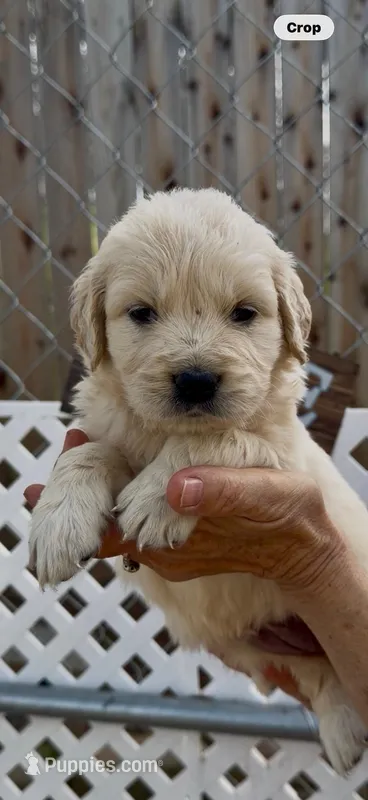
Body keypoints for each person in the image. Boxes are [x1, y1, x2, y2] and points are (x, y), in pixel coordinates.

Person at [25, 429, 368, 722]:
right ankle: (324, 689)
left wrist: (310, 565)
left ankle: (328, 690)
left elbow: (273, 454)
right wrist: (85, 472)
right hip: (247, 642)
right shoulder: (109, 418)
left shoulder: (269, 420)